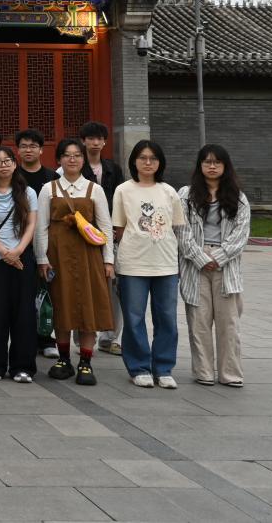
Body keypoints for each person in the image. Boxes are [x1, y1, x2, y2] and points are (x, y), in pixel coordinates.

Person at [36, 138, 114, 386]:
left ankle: (85, 362)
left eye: (77, 155)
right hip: (57, 256)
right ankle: (63, 359)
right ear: (59, 159)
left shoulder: (94, 189)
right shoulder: (48, 189)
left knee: (88, 307)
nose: (72, 159)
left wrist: (109, 260)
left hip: (89, 256)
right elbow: (41, 227)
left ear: (84, 159)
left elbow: (105, 227)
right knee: (62, 305)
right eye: (67, 155)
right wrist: (41, 258)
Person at [112, 140, 186, 389]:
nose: (147, 162)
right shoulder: (123, 190)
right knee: (134, 318)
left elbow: (176, 227)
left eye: (153, 158)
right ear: (133, 161)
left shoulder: (169, 191)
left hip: (166, 264)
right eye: (142, 158)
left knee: (167, 318)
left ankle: (163, 368)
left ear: (160, 163)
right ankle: (139, 367)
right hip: (133, 264)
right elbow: (119, 229)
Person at [178, 144, 250, 387]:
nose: (212, 166)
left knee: (229, 323)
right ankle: (204, 372)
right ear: (200, 165)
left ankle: (230, 374)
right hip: (195, 263)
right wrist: (201, 258)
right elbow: (181, 231)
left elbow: (241, 235)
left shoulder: (238, 197)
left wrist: (218, 257)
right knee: (199, 322)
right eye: (207, 162)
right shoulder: (186, 195)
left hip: (225, 264)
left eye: (217, 162)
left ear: (225, 166)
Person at [0, 146, 38, 383]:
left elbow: (31, 224)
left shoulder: (28, 192)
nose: (3, 165)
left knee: (24, 313)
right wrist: (3, 252)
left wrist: (18, 250)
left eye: (7, 160)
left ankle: (23, 366)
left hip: (22, 257)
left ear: (14, 163)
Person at [79, 121, 125, 356]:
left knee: (114, 286)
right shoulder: (77, 166)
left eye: (99, 138)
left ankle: (110, 337)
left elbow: (120, 199)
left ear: (105, 142)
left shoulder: (113, 169)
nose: (95, 142)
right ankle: (83, 337)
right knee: (83, 286)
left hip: (110, 236)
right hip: (84, 235)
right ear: (83, 141)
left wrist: (118, 228)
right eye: (91, 138)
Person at [15, 128, 60, 359]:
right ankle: (26, 339)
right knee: (24, 294)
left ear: (41, 150)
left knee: (48, 291)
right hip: (19, 243)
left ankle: (47, 338)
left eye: (33, 146)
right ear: (17, 150)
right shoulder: (13, 177)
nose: (28, 150)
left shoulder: (52, 178)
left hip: (48, 243)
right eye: (23, 146)